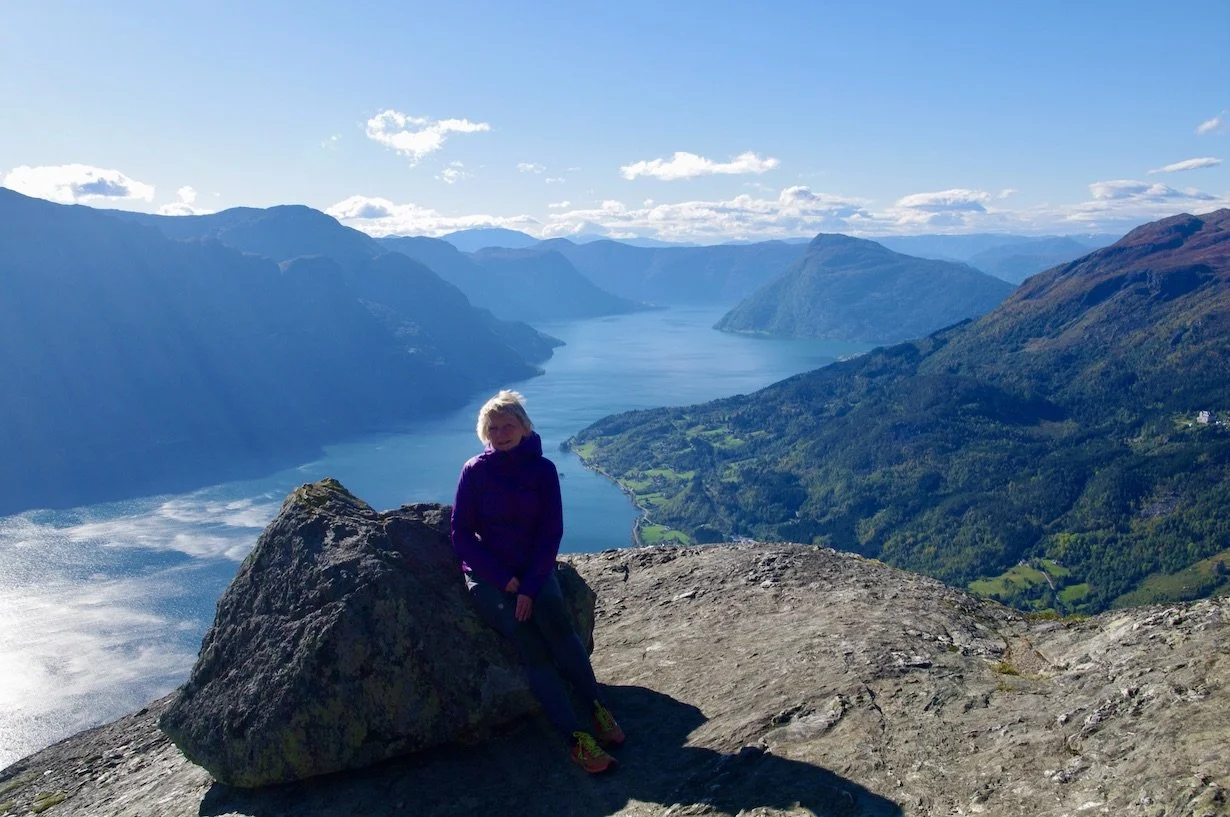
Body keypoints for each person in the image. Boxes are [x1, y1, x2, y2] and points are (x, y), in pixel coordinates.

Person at [450, 389, 625, 774]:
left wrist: (529, 585)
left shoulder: (542, 471)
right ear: (484, 432)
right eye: (492, 428)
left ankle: (596, 706)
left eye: (508, 425)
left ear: (524, 427)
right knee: (533, 648)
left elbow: (551, 532)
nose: (500, 433)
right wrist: (507, 583)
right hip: (490, 578)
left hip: (534, 571)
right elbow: (461, 536)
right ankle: (576, 739)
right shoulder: (474, 472)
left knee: (560, 628)